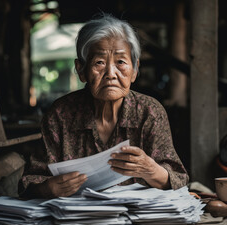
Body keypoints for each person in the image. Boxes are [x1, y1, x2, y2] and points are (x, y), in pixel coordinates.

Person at [19, 14, 189, 199]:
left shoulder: (149, 112)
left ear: (135, 70)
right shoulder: (60, 114)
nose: (111, 73)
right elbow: (30, 182)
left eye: (121, 62)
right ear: (81, 70)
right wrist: (49, 188)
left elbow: (178, 179)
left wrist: (150, 170)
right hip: (76, 221)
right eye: (99, 62)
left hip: (137, 222)